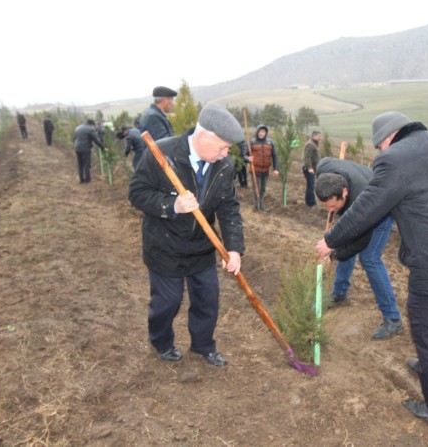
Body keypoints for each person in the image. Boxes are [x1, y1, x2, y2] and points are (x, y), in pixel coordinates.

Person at [315, 111, 428, 428]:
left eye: (380, 148)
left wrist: (331, 241)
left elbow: (368, 207)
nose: (382, 153)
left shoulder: (394, 158)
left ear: (386, 140)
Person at [128, 103, 245, 367]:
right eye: (223, 147)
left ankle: (203, 345)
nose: (226, 154)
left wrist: (234, 248)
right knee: (167, 302)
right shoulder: (162, 153)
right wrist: (172, 206)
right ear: (204, 137)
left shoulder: (223, 165)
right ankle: (162, 342)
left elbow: (228, 208)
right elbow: (137, 193)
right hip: (165, 246)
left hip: (201, 248)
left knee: (208, 300)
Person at [315, 157, 402, 339]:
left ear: (344, 192)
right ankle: (339, 294)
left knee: (369, 258)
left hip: (382, 209)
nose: (330, 211)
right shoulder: (324, 170)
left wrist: (333, 255)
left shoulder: (362, 202)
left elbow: (360, 241)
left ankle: (393, 319)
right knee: (341, 240)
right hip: (362, 196)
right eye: (326, 206)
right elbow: (323, 162)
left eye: (333, 206)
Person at [248, 125, 279, 211]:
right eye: (260, 131)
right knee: (256, 188)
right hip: (255, 169)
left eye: (263, 132)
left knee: (263, 189)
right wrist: (247, 158)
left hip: (265, 170)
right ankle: (256, 206)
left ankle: (261, 205)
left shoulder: (269, 142)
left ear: (266, 133)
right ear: (257, 132)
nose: (261, 133)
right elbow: (245, 154)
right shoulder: (252, 142)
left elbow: (275, 156)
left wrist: (276, 169)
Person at [73, 119, 106, 183]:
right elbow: (96, 140)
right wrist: (103, 148)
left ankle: (81, 179)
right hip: (85, 149)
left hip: (77, 148)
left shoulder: (78, 128)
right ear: (92, 124)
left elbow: (74, 138)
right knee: (86, 164)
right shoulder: (90, 129)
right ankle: (87, 180)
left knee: (80, 164)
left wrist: (75, 145)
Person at [302, 131, 321, 207]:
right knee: (311, 186)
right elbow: (307, 157)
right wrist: (310, 168)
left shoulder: (314, 144)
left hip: (313, 168)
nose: (320, 138)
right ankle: (311, 203)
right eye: (319, 136)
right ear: (314, 136)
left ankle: (308, 202)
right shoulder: (310, 144)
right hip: (310, 169)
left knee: (310, 186)